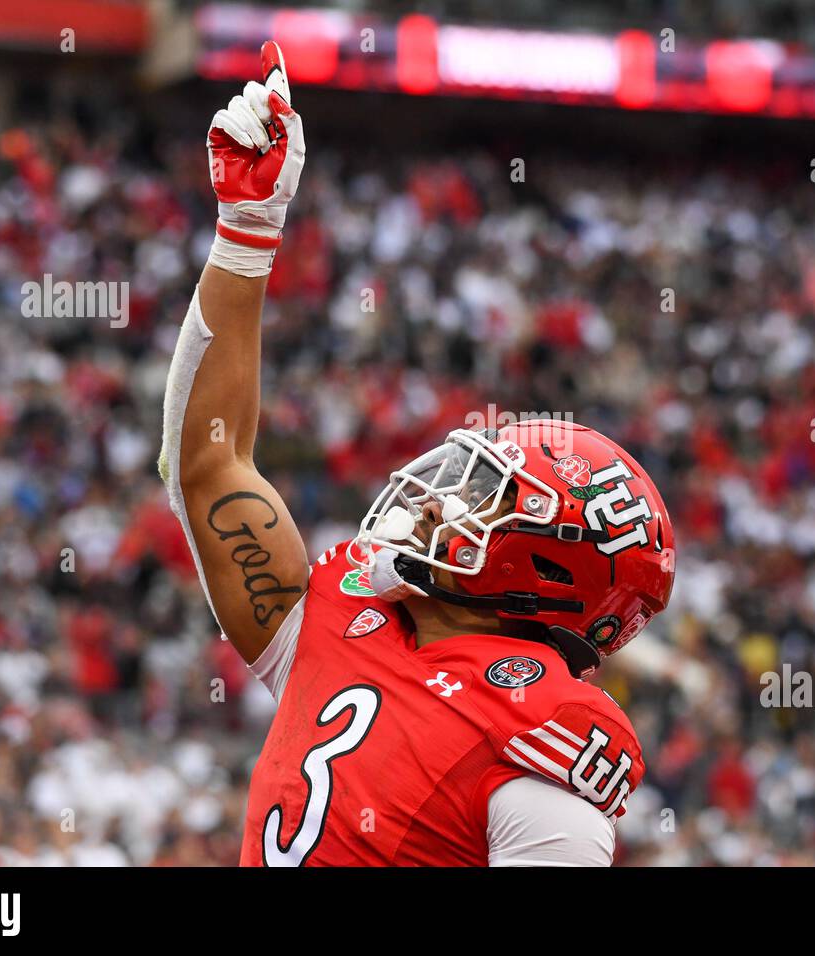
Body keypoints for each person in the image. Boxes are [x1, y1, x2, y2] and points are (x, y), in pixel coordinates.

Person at [159, 42, 676, 866]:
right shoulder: (343, 619)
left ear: (546, 567)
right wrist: (245, 231)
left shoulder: (540, 731)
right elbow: (210, 467)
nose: (436, 501)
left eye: (486, 496)